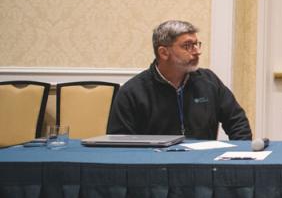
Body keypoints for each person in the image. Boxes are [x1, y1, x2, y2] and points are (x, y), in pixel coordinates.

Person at [107, 20, 251, 139]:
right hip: (155, 168)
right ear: (164, 53)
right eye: (188, 46)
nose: (197, 51)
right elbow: (120, 142)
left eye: (196, 44)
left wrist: (240, 156)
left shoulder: (209, 81)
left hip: (203, 166)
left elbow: (238, 123)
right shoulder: (133, 92)